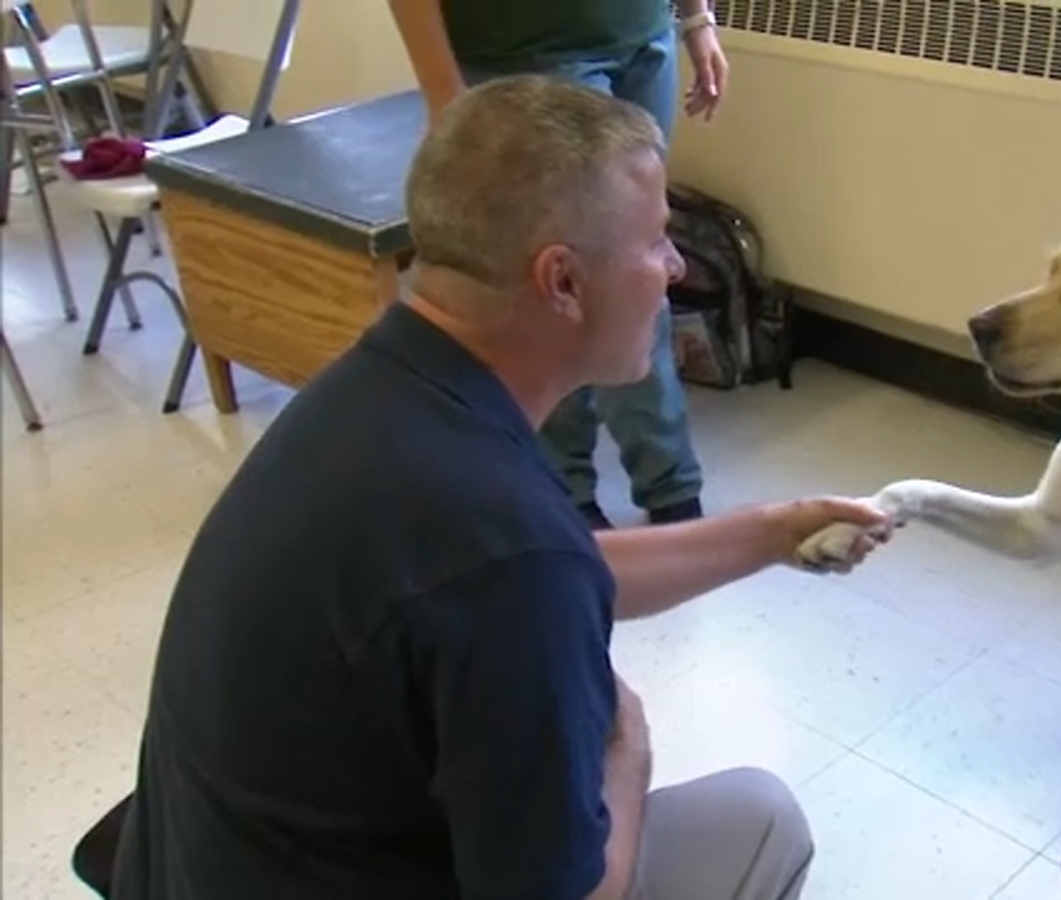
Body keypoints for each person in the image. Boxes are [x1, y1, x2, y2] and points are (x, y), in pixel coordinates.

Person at [108, 76, 889, 900]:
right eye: (657, 240)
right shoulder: (508, 551)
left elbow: (534, 570)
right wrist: (628, 753)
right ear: (562, 281)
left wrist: (771, 531)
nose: (676, 268)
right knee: (760, 818)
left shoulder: (372, 401)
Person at [387, 0, 731, 530]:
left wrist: (696, 19)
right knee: (563, 288)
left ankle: (669, 485)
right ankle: (569, 489)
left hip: (641, 37)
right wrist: (445, 99)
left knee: (639, 271)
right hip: (529, 53)